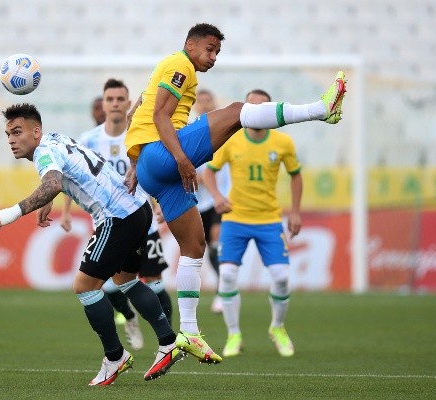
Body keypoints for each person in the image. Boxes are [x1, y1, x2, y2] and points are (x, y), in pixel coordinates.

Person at [124, 22, 346, 364]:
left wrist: (134, 167)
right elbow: (158, 115)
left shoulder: (174, 71)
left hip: (153, 170)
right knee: (236, 111)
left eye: (218, 52)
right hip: (163, 155)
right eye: (210, 50)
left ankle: (188, 332)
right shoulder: (179, 65)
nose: (213, 58)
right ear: (191, 44)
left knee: (194, 246)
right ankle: (319, 109)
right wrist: (182, 159)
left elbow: (136, 111)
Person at [0, 103, 185, 385]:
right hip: (139, 207)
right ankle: (168, 341)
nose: (11, 140)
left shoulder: (43, 150)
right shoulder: (56, 138)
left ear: (36, 131)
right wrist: (50, 197)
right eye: (8, 134)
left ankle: (115, 357)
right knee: (126, 280)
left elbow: (52, 182)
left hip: (116, 216)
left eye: (17, 132)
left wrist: (10, 214)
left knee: (84, 286)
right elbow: (63, 173)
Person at [61, 78, 173, 351]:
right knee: (111, 286)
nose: (114, 104)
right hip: (109, 223)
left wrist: (160, 204)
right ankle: (131, 318)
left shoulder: (138, 135)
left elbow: (153, 171)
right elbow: (72, 176)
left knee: (155, 284)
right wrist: (65, 211)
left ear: (126, 102)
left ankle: (166, 339)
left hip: (142, 219)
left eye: (120, 99)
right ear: (103, 102)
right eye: (109, 99)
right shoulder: (89, 139)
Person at [203, 89, 302, 358]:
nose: (256, 111)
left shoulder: (282, 143)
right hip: (235, 219)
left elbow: (295, 175)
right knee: (227, 276)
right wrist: (216, 197)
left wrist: (294, 211)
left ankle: (277, 327)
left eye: (261, 107)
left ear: (269, 110)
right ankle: (233, 333)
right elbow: (209, 171)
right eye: (251, 106)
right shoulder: (231, 141)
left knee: (281, 278)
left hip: (269, 219)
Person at [190, 88, 231, 314]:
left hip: (220, 197)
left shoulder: (223, 132)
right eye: (201, 101)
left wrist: (209, 178)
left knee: (217, 241)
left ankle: (222, 291)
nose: (205, 105)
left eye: (208, 100)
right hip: (198, 202)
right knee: (206, 248)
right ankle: (222, 285)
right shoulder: (191, 131)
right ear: (195, 105)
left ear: (214, 103)